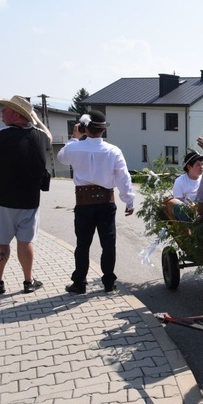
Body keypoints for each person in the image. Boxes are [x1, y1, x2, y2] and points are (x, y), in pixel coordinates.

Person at [0, 94, 52, 294]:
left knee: (1, 242)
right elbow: (49, 136)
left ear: (17, 115)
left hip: (1, 201)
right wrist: (34, 117)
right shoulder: (40, 136)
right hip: (30, 202)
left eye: (6, 109)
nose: (2, 111)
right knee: (26, 242)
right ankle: (29, 281)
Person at [57, 110, 135, 294]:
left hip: (83, 203)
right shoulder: (113, 150)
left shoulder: (73, 147)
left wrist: (74, 138)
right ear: (103, 130)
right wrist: (129, 201)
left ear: (84, 128)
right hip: (106, 202)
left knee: (82, 243)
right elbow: (123, 177)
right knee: (108, 243)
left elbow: (61, 158)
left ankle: (79, 283)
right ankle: (108, 282)